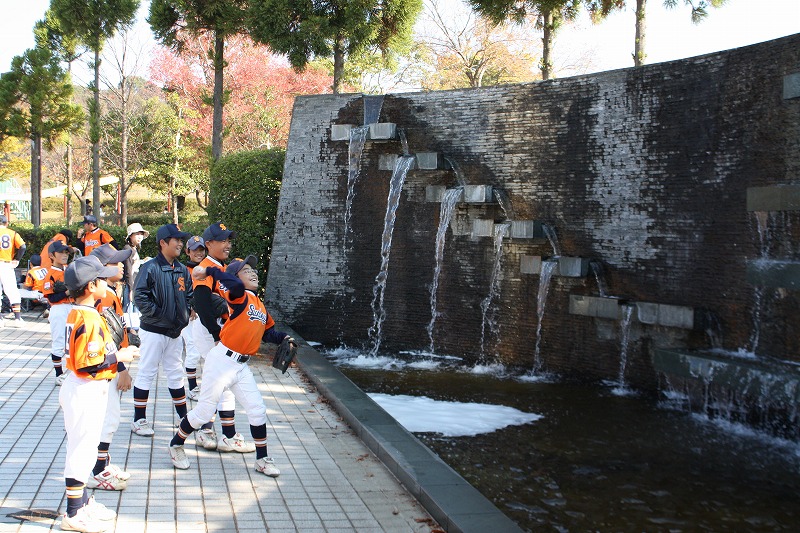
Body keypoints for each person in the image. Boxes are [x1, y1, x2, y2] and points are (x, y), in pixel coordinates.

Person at [168, 255, 295, 477]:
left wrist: (285, 337)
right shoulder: (239, 296)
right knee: (204, 411)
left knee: (257, 409)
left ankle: (262, 459)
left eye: (253, 270)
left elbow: (268, 333)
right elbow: (233, 285)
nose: (252, 273)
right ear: (235, 278)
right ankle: (176, 444)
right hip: (221, 361)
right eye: (246, 270)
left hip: (241, 366)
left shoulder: (259, 305)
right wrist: (211, 272)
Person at [58, 255, 138, 532]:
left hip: (86, 386)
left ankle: (81, 503)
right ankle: (73, 513)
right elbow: (87, 364)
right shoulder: (88, 316)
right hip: (84, 387)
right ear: (91, 286)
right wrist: (120, 357)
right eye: (102, 278)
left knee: (87, 447)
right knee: (81, 451)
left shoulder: (83, 312)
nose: (106, 281)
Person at [191, 222, 252, 451]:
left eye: (228, 240)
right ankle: (206, 430)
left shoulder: (222, 267)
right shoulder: (205, 267)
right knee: (218, 382)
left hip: (220, 330)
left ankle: (227, 434)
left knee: (224, 382)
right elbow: (202, 303)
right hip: (210, 330)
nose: (227, 244)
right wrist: (216, 335)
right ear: (208, 244)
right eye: (222, 240)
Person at [131, 224, 193, 437]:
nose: (180, 244)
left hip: (175, 332)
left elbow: (189, 294)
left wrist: (186, 312)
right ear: (163, 243)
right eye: (176, 240)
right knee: (147, 372)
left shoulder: (182, 269)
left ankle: (183, 417)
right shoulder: (150, 268)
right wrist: (160, 314)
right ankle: (139, 419)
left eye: (181, 240)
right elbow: (139, 296)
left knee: (176, 372)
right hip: (154, 331)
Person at [86, 244, 135, 492]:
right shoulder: (103, 295)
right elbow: (107, 337)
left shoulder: (108, 292)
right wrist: (122, 367)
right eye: (115, 262)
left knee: (107, 418)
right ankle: (97, 470)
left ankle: (101, 463)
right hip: (105, 365)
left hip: (106, 362)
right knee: (108, 418)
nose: (121, 266)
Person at [43, 241, 74, 384]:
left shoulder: (69, 270)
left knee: (73, 342)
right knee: (59, 342)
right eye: (61, 252)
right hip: (59, 309)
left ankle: (72, 373)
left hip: (72, 307)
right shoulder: (50, 273)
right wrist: (67, 292)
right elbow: (51, 298)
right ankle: (59, 375)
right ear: (51, 255)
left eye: (66, 252)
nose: (65, 255)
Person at [0, 213, 27, 328]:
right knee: (12, 291)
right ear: (6, 223)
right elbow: (23, 247)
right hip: (6, 265)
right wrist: (17, 259)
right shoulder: (12, 233)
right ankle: (17, 319)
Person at [122, 223, 149, 310]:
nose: (140, 236)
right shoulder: (128, 249)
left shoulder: (133, 248)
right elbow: (128, 271)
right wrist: (131, 289)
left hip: (134, 283)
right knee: (128, 310)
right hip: (129, 284)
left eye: (141, 234)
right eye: (137, 234)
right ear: (130, 236)